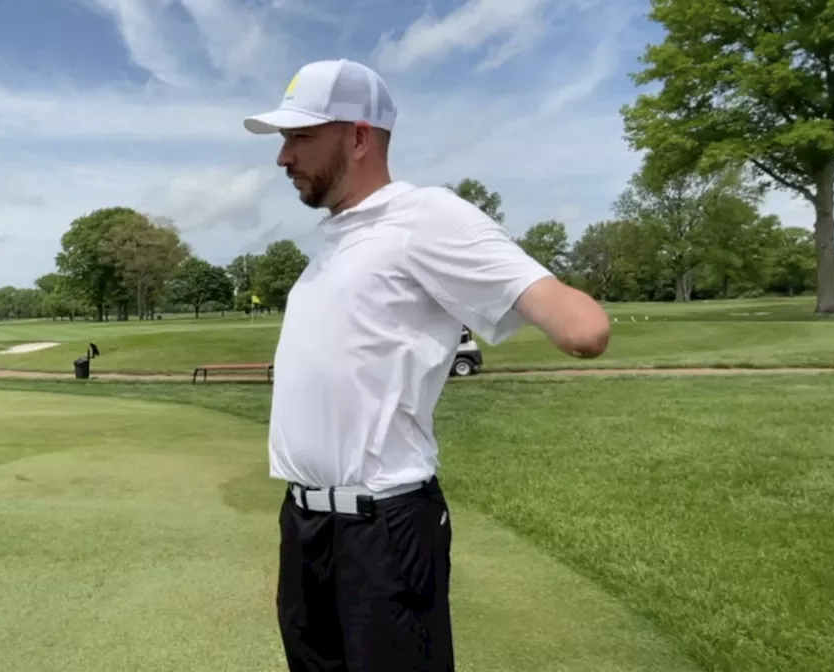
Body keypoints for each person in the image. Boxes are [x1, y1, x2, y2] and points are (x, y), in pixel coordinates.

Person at [242, 59, 612, 672]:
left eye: (300, 137)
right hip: (307, 528)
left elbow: (584, 327)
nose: (284, 157)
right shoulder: (338, 238)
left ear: (359, 137)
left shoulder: (426, 218)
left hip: (383, 530)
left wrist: (568, 313)